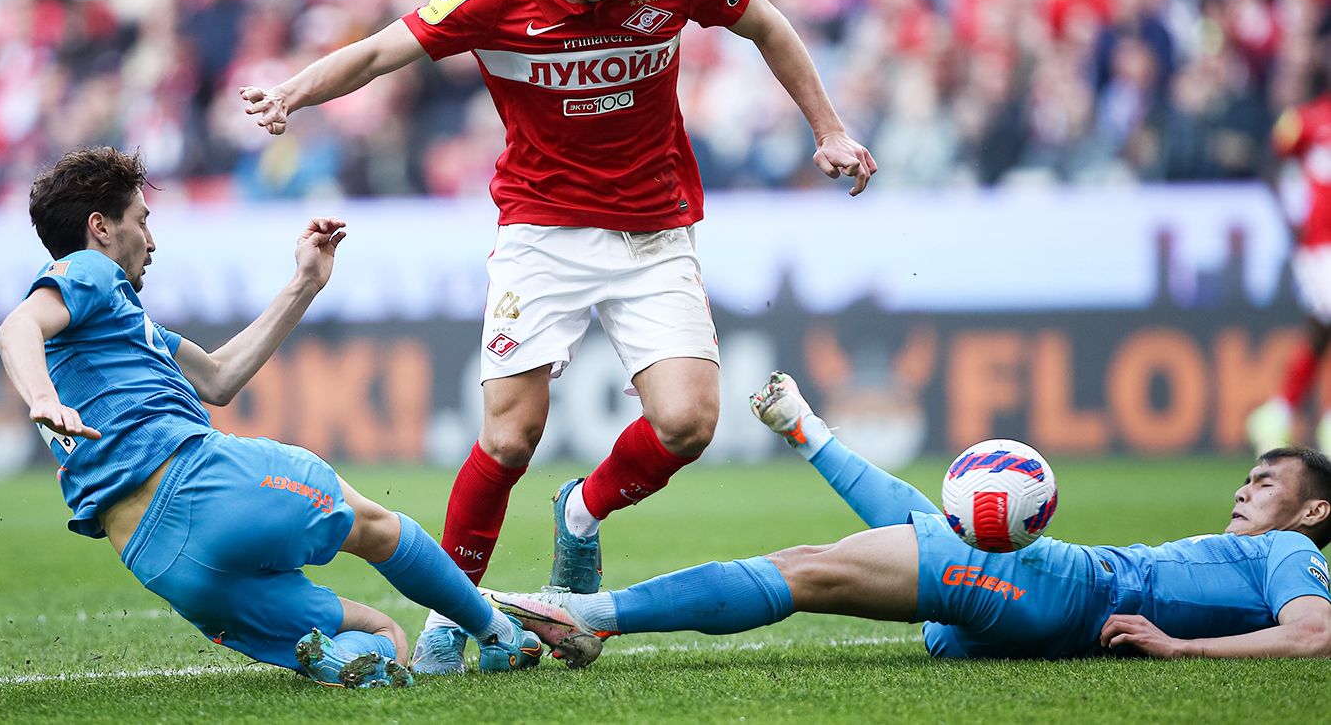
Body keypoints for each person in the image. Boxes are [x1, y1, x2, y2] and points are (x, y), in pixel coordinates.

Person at [238, 0, 878, 673]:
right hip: (541, 234)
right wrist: (291, 90)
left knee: (687, 424)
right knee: (509, 440)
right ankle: (453, 617)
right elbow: (377, 52)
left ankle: (581, 511)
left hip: (653, 233)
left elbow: (768, 25)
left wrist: (827, 127)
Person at [0, 147, 543, 688]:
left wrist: (304, 283)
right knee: (378, 527)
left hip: (160, 562)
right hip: (202, 485)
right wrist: (41, 397)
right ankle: (501, 634)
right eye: (142, 220)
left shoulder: (113, 324)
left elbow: (218, 378)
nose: (152, 241)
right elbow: (15, 328)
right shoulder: (87, 270)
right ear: (101, 227)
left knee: (380, 635)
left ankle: (340, 659)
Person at [484, 372, 1331, 664]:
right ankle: (812, 435)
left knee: (807, 567)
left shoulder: (1291, 555)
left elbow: (1314, 636)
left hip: (1065, 594)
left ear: (1314, 510)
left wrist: (1181, 647)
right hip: (1046, 590)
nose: (1243, 489)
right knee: (938, 528)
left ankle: (593, 618)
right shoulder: (1243, 549)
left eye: (1266, 481)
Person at [1248, 92, 1331, 455]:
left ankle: (1278, 413)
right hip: (1320, 246)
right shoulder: (1307, 118)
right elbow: (1269, 160)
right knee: (1321, 326)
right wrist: (1288, 217)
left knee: (1320, 333)